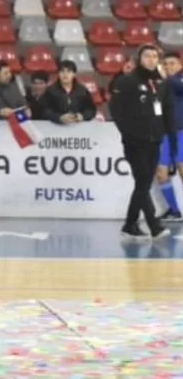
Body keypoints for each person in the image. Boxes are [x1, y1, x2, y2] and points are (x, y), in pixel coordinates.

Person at [109, 45, 175, 239]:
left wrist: (170, 138)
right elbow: (115, 109)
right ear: (139, 59)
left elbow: (168, 111)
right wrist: (128, 133)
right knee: (143, 181)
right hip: (135, 142)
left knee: (142, 183)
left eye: (155, 56)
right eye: (147, 56)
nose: (152, 59)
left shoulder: (161, 83)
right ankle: (154, 225)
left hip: (155, 140)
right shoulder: (127, 81)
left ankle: (130, 225)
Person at [155, 52, 183, 220]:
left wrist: (165, 78)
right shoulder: (162, 84)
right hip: (164, 134)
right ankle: (174, 211)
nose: (168, 67)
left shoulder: (177, 81)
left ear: (180, 65)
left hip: (180, 133)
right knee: (161, 174)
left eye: (172, 63)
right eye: (166, 64)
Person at [41, 60, 96, 125]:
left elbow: (91, 110)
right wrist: (59, 117)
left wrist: (82, 116)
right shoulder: (51, 91)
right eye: (62, 71)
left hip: (79, 128)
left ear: (74, 74)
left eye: (69, 71)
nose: (65, 74)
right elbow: (44, 111)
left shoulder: (82, 91)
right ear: (58, 73)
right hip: (56, 128)